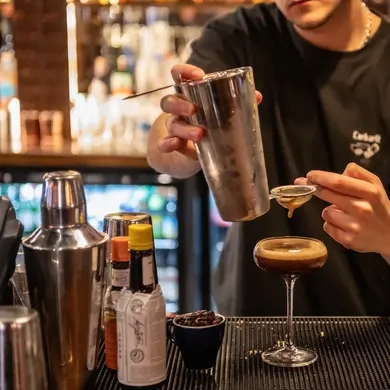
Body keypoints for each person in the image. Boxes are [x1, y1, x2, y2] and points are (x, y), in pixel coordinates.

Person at [147, 0, 390, 316]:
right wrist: (180, 137)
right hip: (252, 326)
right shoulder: (238, 36)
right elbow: (160, 150)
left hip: (364, 336)